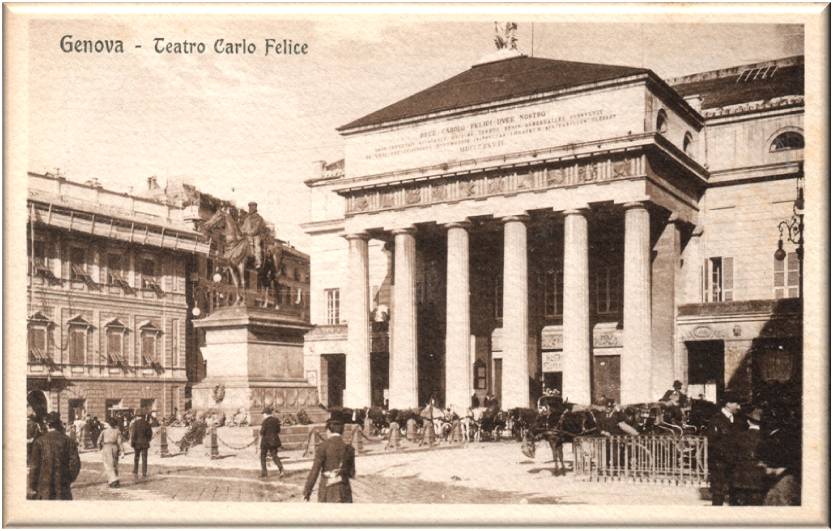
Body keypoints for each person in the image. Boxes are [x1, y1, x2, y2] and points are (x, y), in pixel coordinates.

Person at [28, 412, 81, 500]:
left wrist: (33, 485)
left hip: (44, 486)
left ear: (47, 425)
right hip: (63, 486)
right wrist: (68, 479)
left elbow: (34, 466)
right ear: (59, 424)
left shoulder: (39, 441)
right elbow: (75, 464)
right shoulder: (69, 441)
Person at [303, 418, 356, 503]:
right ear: (342, 432)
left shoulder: (323, 447)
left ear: (328, 430)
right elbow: (352, 473)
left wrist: (307, 492)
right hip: (344, 489)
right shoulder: (349, 448)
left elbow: (315, 471)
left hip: (327, 489)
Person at [706, 391, 744, 505]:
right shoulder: (715, 420)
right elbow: (713, 444)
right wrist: (727, 457)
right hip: (719, 464)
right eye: (736, 404)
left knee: (734, 494)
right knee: (718, 494)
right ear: (728, 404)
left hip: (733, 464)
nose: (739, 407)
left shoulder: (737, 420)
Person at [732, 407, 767, 505]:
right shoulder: (765, 437)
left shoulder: (740, 436)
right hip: (759, 478)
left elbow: (733, 455)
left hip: (741, 477)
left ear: (748, 421)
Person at [259, 407, 285, 478]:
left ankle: (264, 473)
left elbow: (262, 432)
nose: (263, 415)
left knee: (262, 456)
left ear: (266, 414)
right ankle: (281, 469)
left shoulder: (265, 421)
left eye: (263, 414)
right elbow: (278, 430)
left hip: (265, 442)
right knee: (274, 456)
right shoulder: (276, 420)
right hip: (274, 441)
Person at [98, 418, 123, 488]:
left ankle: (112, 481)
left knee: (108, 465)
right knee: (115, 464)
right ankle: (116, 480)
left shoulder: (104, 431)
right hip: (115, 447)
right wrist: (122, 451)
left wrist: (100, 449)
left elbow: (98, 441)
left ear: (109, 424)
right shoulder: (117, 431)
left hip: (106, 447)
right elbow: (120, 442)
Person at [241, 201, 265, 269]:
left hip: (256, 236)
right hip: (247, 236)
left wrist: (248, 233)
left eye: (250, 208)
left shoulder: (259, 218)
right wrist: (241, 231)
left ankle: (258, 262)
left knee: (257, 246)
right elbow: (243, 227)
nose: (249, 209)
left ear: (254, 209)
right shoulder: (247, 218)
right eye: (249, 208)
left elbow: (255, 230)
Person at [130, 410, 153, 479]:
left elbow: (133, 434)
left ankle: (135, 470)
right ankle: (144, 472)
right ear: (143, 416)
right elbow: (150, 434)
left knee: (136, 458)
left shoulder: (135, 423)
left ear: (137, 416)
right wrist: (147, 440)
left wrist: (132, 442)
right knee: (144, 458)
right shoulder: (147, 423)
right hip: (145, 443)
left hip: (137, 443)